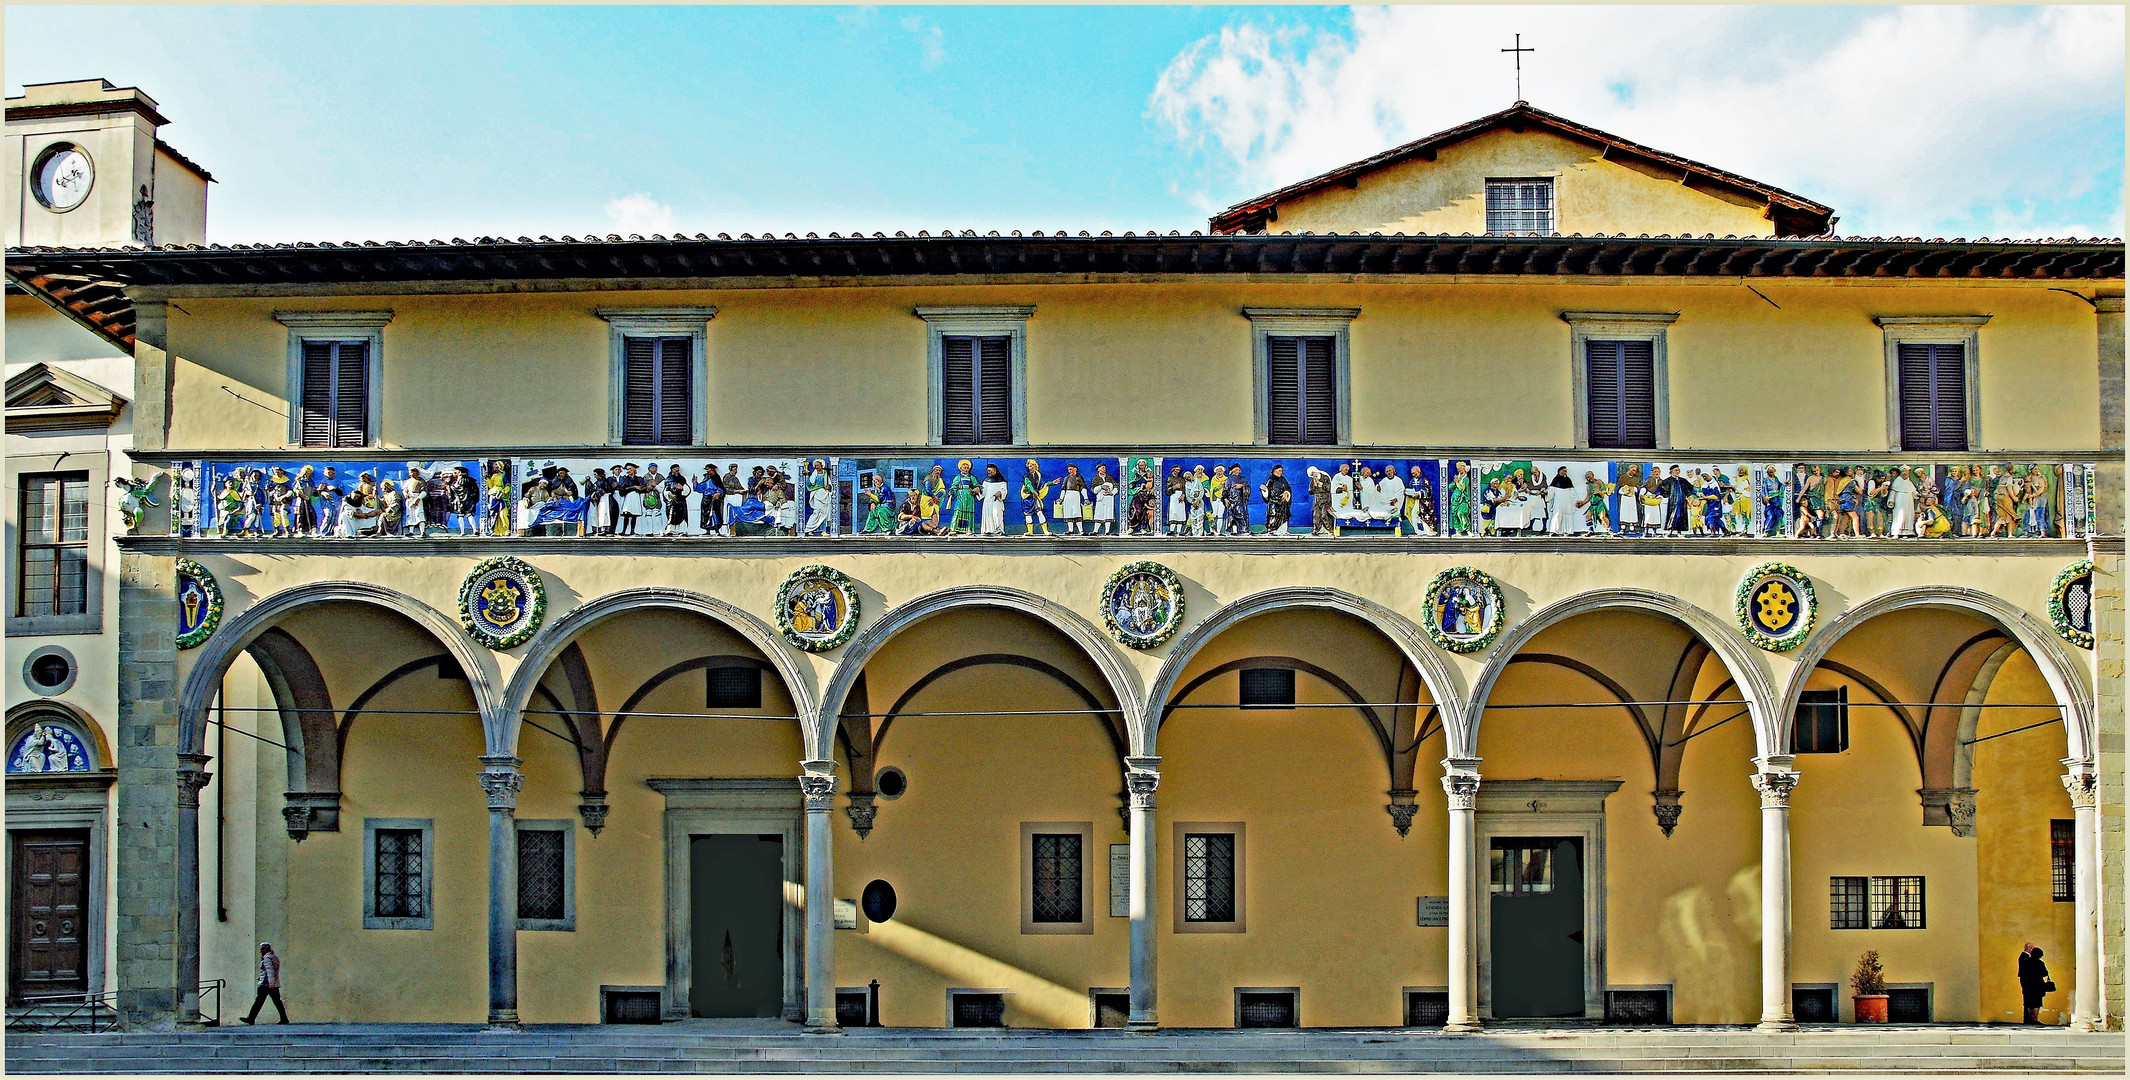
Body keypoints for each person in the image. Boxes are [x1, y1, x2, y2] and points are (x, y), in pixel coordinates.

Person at [241, 942, 288, 1024]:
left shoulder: (267, 958)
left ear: (265, 949)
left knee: (259, 1001)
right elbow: (271, 971)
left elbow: (270, 971)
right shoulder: (274, 957)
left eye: (262, 949)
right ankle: (284, 1018)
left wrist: (271, 983)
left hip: (266, 985)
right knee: (277, 1001)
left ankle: (251, 1018)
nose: (261, 951)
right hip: (272, 983)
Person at [2018, 943, 2053, 1024]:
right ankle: (2034, 1019)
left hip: (2028, 985)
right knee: (2036, 1003)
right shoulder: (2040, 963)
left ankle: (2030, 1018)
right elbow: (2044, 973)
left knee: (2029, 1002)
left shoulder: (2028, 960)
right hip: (2037, 985)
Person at [979, 463, 1009, 535]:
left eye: (990, 471)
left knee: (997, 515)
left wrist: (1000, 493)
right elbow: (983, 492)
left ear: (995, 470)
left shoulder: (1001, 481)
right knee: (988, 515)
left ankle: (999, 530)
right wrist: (978, 491)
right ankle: (988, 530)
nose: (989, 472)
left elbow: (1004, 490)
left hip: (997, 501)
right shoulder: (986, 480)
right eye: (988, 471)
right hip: (987, 502)